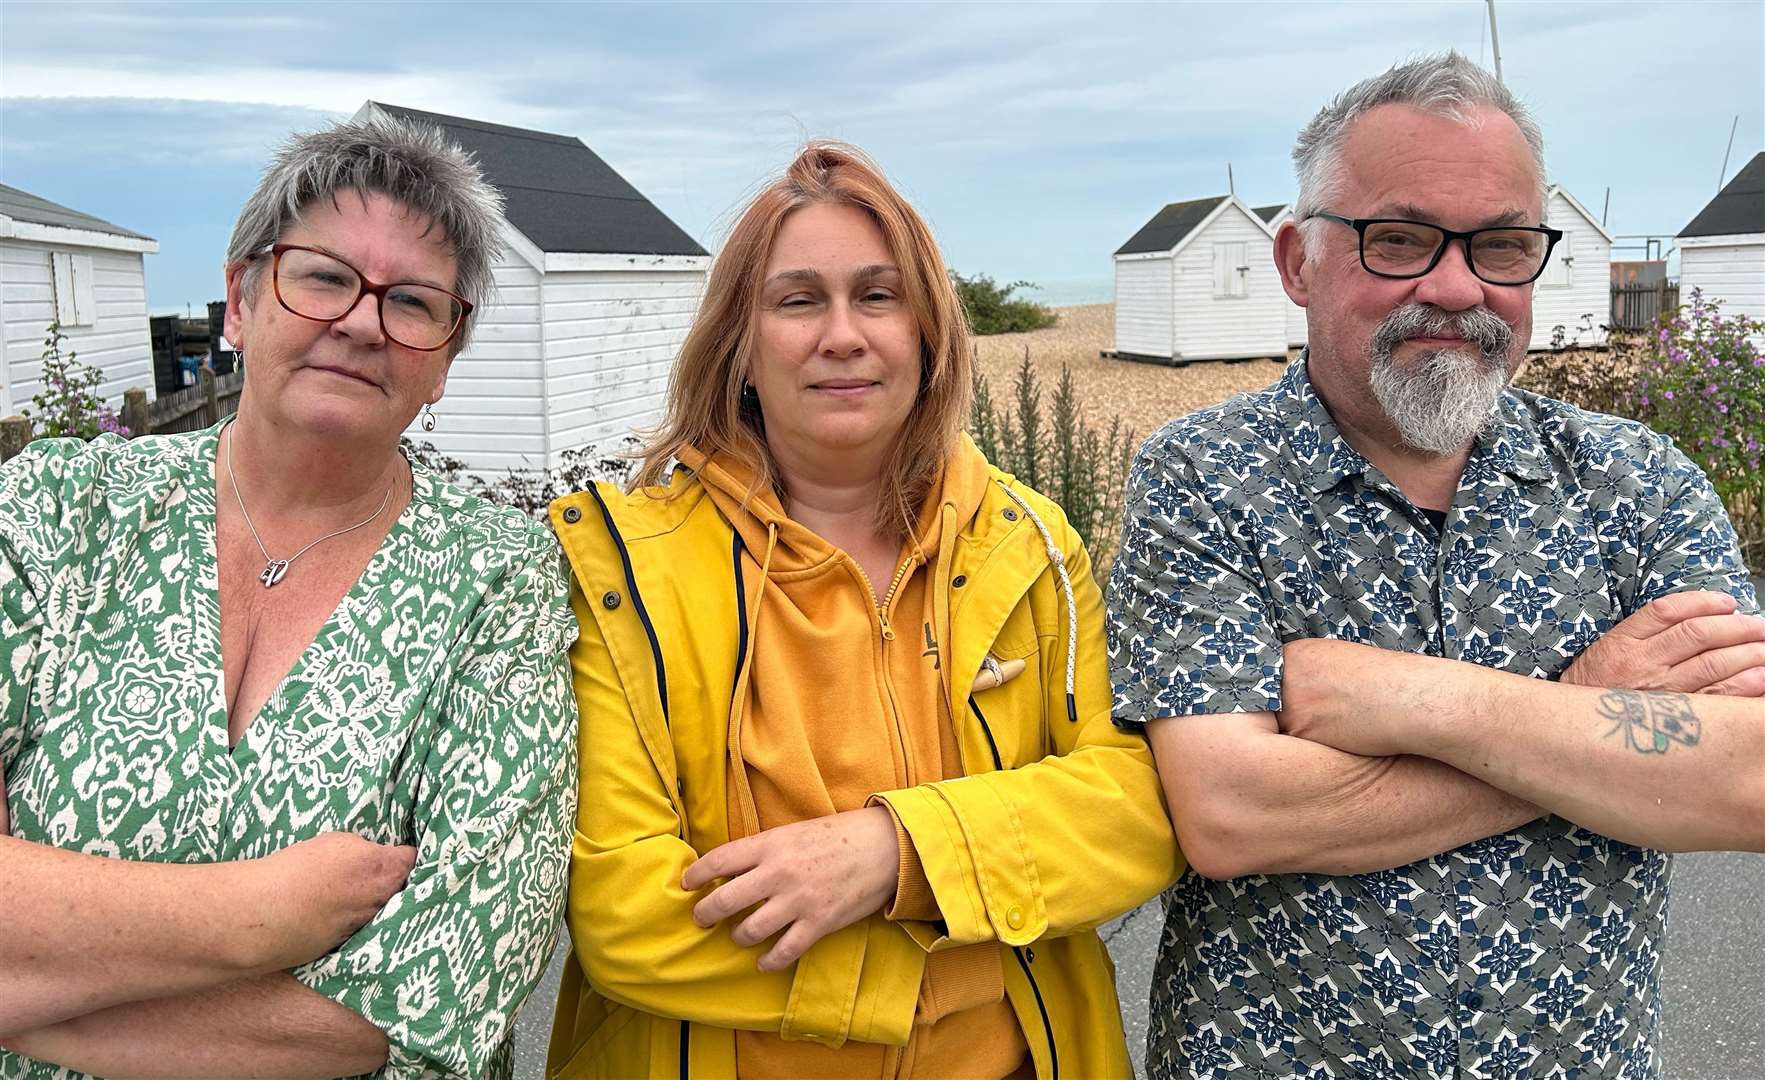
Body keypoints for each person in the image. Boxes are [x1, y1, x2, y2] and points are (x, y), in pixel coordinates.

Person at [1107, 51, 1765, 1079]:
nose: (1456, 287)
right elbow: (1230, 814)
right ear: (1295, 263)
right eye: (1399, 238)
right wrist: (1594, 711)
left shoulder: (1637, 480)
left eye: (1501, 245)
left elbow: (1747, 781)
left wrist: (1418, 702)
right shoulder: (1199, 481)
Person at [545, 141, 1181, 1079]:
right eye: (798, 299)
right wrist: (936, 967)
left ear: (927, 336)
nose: (842, 334)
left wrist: (896, 852)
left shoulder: (1029, 542)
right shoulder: (619, 567)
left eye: (877, 296)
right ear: (739, 346)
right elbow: (624, 910)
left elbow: (1132, 809)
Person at [0, 117, 578, 1079]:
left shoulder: (500, 582)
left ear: (444, 354)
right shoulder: (60, 513)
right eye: (322, 276)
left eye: (412, 301)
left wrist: (26, 1000)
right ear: (239, 298)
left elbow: (440, 994)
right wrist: (258, 914)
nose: (360, 321)